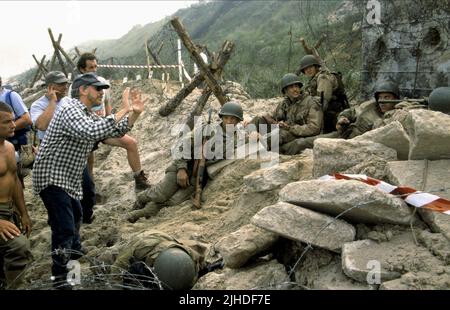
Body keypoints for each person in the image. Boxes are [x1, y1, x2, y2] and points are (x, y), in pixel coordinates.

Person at [32, 73, 145, 288]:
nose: (102, 93)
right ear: (83, 90)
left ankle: (73, 249)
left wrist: (134, 115)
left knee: (76, 215)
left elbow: (111, 130)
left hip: (67, 177)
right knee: (64, 227)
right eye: (98, 88)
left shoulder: (84, 113)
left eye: (103, 89)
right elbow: (92, 131)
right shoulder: (69, 108)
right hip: (51, 175)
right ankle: (61, 278)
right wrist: (122, 109)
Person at [128, 101, 246, 223]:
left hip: (200, 174)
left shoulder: (239, 137)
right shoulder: (208, 129)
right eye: (226, 118)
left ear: (238, 121)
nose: (229, 121)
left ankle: (145, 212)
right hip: (185, 163)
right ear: (221, 118)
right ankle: (140, 200)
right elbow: (183, 144)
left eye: (233, 119)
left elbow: (248, 143)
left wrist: (255, 135)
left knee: (175, 200)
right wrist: (181, 169)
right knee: (161, 194)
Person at [75, 53, 150, 192]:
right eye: (90, 67)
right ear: (82, 69)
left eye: (96, 67)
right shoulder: (78, 87)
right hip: (86, 129)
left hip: (103, 124)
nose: (94, 70)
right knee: (88, 161)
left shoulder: (102, 82)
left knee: (131, 143)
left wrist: (112, 121)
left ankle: (139, 179)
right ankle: (89, 191)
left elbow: (107, 103)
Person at [281, 81, 402, 155]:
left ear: (395, 99)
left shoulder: (396, 114)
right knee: (300, 142)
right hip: (344, 133)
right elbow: (350, 111)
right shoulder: (370, 107)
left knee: (303, 142)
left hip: (355, 144)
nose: (382, 102)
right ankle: (273, 153)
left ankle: (272, 152)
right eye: (380, 98)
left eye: (387, 98)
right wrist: (342, 118)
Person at [246, 73, 322, 153]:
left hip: (298, 135)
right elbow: (273, 117)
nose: (295, 89)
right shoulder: (284, 104)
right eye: (291, 87)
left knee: (278, 134)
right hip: (285, 130)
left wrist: (290, 128)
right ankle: (243, 139)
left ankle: (253, 148)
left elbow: (314, 128)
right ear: (285, 91)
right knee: (259, 119)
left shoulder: (311, 103)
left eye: (296, 86)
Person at [0, 102, 32, 290]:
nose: (14, 125)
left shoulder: (10, 148)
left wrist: (23, 213)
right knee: (19, 247)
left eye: (13, 120)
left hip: (9, 210)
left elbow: (15, 182)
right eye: (7, 122)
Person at [110, 230, 210, 290]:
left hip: (164, 240)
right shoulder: (134, 251)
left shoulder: (189, 256)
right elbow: (115, 274)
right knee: (108, 257)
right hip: (141, 240)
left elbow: (201, 261)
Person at [297, 55, 349, 133]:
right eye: (306, 69)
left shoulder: (323, 78)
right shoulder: (312, 81)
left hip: (335, 115)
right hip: (328, 115)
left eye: (310, 67)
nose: (308, 70)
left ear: (316, 67)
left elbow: (322, 103)